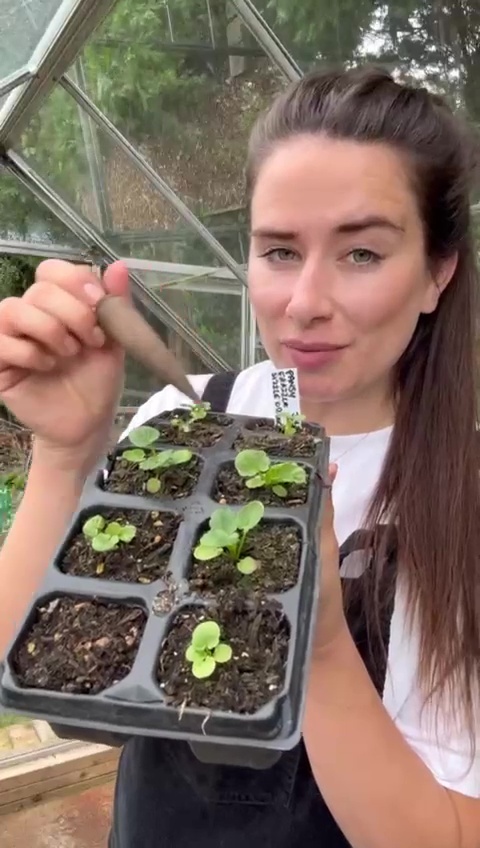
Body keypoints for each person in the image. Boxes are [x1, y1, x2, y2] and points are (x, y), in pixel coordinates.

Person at [0, 65, 478, 847]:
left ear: (437, 273)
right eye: (280, 251)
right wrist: (63, 454)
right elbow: (33, 660)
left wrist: (321, 646)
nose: (304, 302)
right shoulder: (186, 417)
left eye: (361, 254)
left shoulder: (457, 498)